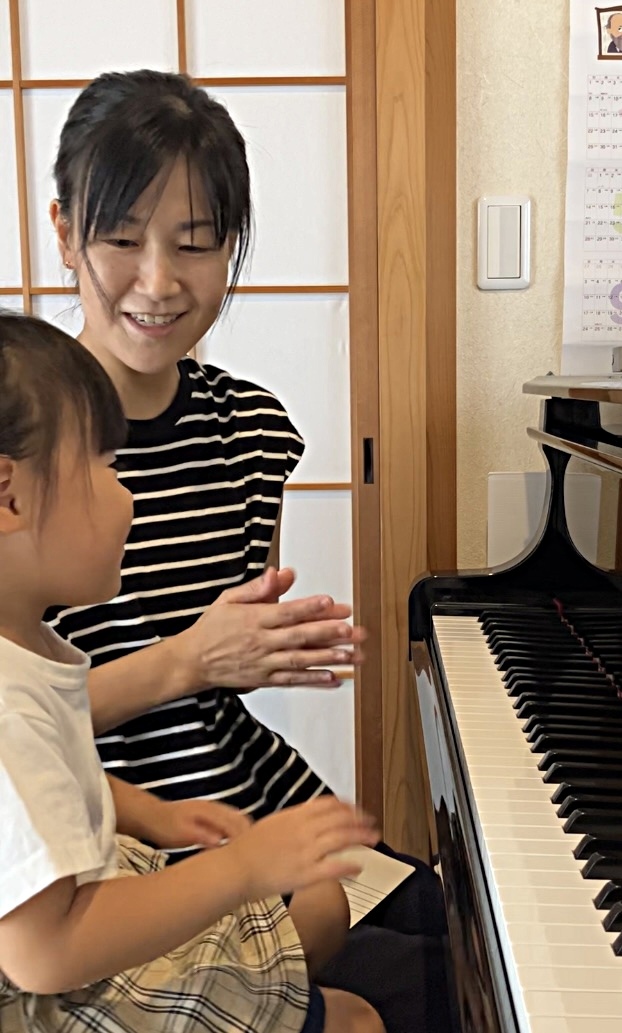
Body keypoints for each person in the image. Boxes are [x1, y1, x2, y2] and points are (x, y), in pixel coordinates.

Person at [45, 70, 455, 1033]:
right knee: (423, 993)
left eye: (195, 243)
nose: (158, 282)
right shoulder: (23, 443)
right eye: (120, 240)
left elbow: (226, 677)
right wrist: (189, 659)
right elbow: (11, 721)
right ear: (64, 233)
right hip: (102, 843)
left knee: (459, 928)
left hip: (240, 794)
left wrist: (260, 655)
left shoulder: (250, 432)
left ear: (231, 244)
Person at [0, 310, 386, 1033]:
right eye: (103, 468)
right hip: (53, 987)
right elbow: (43, 954)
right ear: (9, 496)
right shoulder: (6, 705)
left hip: (98, 882)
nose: (127, 496)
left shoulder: (23, 646)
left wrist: (153, 814)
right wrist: (243, 868)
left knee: (324, 905)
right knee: (357, 1016)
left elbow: (53, 779)